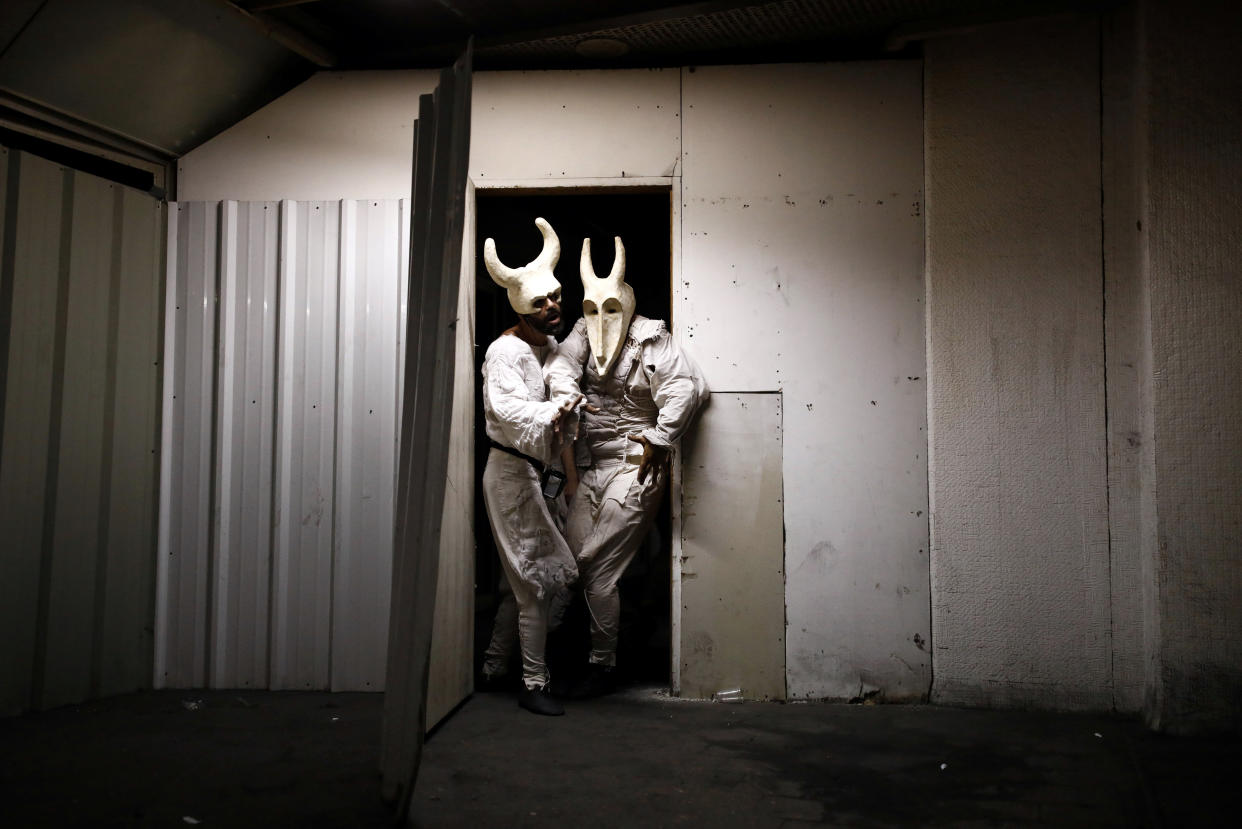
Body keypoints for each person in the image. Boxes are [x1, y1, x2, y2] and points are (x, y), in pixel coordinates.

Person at [545, 234, 709, 698]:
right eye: (593, 309)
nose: (601, 319)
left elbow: (687, 389)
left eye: (611, 309)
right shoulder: (580, 332)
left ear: (629, 305)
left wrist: (659, 437)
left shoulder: (651, 339)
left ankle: (602, 664)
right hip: (591, 466)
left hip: (636, 466)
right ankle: (559, 658)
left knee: (595, 564)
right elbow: (559, 368)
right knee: (570, 563)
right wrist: (566, 394)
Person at [480, 217, 582, 716]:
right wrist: (556, 409)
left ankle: (496, 669)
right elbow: (513, 413)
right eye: (540, 303)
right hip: (510, 475)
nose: (552, 308)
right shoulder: (505, 353)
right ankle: (533, 684)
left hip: (535, 476)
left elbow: (565, 388)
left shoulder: (551, 348)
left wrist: (566, 473)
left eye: (555, 298)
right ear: (520, 307)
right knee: (533, 585)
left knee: (523, 583)